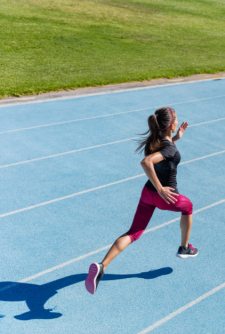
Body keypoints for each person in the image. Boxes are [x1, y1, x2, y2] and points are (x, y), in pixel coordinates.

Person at [85, 106, 198, 294]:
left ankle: (102, 266)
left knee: (134, 232)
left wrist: (176, 138)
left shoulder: (156, 141)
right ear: (171, 124)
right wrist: (161, 189)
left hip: (147, 194)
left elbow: (163, 153)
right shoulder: (167, 148)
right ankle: (184, 248)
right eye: (176, 118)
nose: (178, 120)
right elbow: (147, 162)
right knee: (188, 207)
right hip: (165, 197)